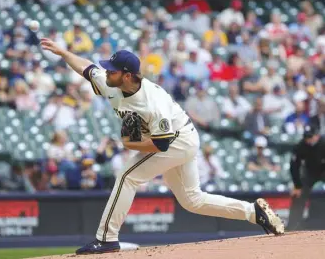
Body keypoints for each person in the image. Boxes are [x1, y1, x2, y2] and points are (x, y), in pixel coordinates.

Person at [40, 38, 284, 254]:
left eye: (111, 70)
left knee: (127, 175)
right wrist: (63, 53)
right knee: (193, 200)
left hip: (177, 140)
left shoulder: (152, 102)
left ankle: (106, 239)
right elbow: (87, 68)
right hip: (177, 138)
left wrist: (129, 144)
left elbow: (162, 145)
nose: (106, 72)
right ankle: (253, 212)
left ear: (126, 75)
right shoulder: (111, 83)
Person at [288, 125, 325, 230]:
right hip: (310, 171)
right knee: (298, 195)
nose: (308, 139)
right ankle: (291, 227)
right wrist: (297, 185)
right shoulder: (300, 146)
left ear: (317, 136)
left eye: (310, 137)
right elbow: (294, 166)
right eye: (306, 137)